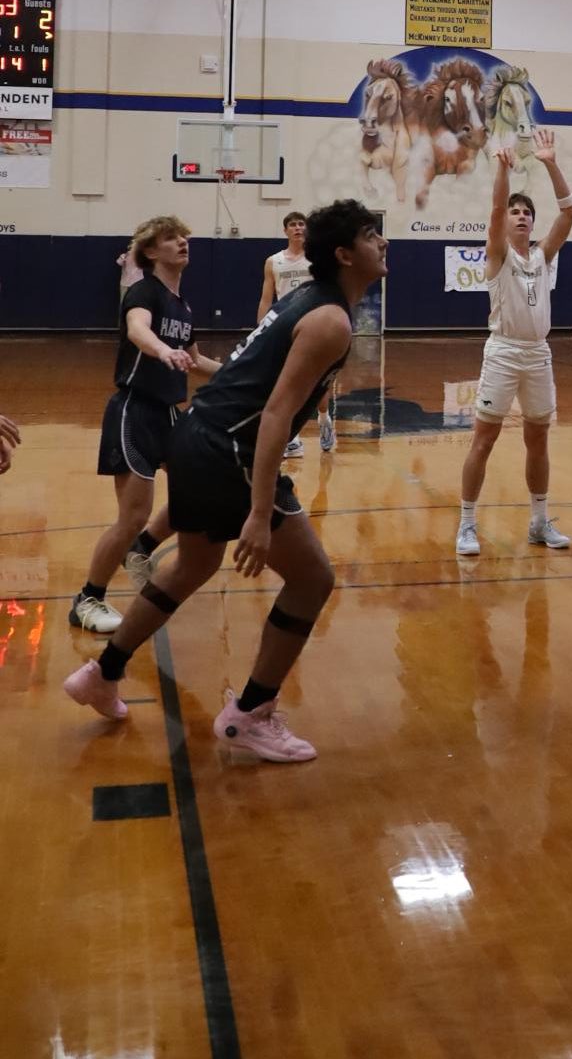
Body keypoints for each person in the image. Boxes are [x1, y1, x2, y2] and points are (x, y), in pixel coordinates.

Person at [64, 200, 387, 760]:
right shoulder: (329, 319)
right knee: (312, 580)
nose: (383, 242)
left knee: (194, 563)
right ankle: (250, 714)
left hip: (195, 434)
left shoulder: (307, 302)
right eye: (370, 235)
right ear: (343, 254)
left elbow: (246, 379)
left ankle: (103, 672)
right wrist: (260, 514)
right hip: (226, 451)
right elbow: (275, 416)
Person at [69, 216, 221, 635]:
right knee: (133, 514)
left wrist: (239, 372)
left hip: (171, 413)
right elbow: (138, 331)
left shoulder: (183, 305)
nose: (183, 242)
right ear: (152, 251)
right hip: (135, 411)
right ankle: (87, 599)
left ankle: (143, 548)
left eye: (184, 236)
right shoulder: (143, 292)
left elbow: (196, 359)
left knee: (201, 485)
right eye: (171, 238)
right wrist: (160, 350)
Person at [456, 130, 572, 556]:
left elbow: (570, 211)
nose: (521, 216)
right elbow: (494, 209)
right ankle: (467, 524)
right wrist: (502, 170)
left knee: (538, 440)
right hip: (504, 352)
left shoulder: (542, 255)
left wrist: (549, 162)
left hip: (538, 354)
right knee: (483, 439)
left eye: (527, 212)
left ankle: (539, 522)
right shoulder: (498, 254)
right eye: (516, 212)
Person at [255, 211, 337, 458]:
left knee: (318, 383)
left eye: (302, 224)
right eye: (293, 224)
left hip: (315, 324)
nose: (298, 228)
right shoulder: (273, 261)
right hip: (285, 326)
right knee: (286, 382)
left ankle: (324, 419)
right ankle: (293, 438)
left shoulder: (317, 260)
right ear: (286, 231)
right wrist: (262, 327)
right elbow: (266, 297)